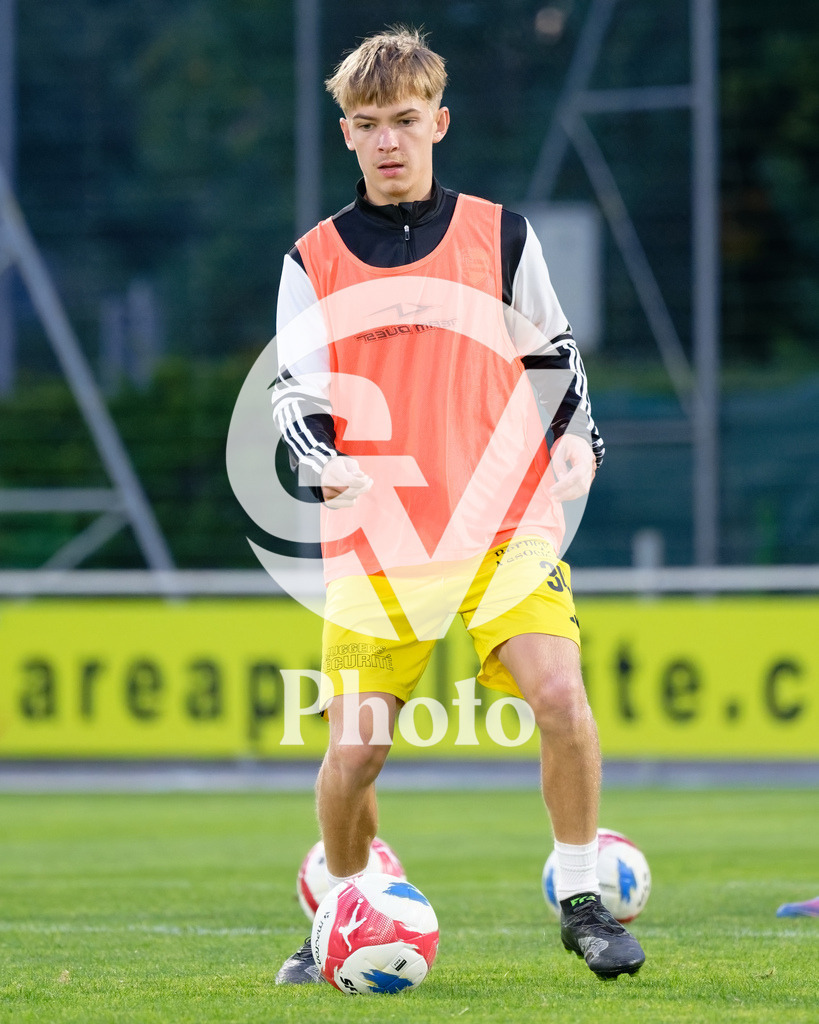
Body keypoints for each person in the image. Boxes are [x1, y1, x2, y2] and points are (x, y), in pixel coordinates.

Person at [270, 27, 645, 982]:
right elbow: (295, 393)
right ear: (346, 134)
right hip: (379, 538)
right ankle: (341, 914)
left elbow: (552, 353)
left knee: (558, 695)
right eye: (367, 124)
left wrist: (575, 440)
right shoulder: (313, 259)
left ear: (438, 123)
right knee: (356, 753)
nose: (387, 140)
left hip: (504, 523)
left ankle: (581, 901)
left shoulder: (500, 234)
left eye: (404, 120)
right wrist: (323, 461)